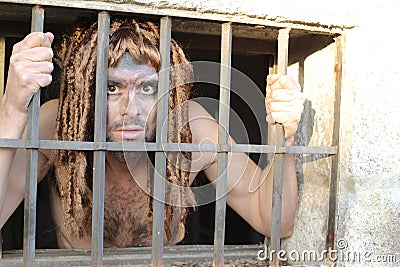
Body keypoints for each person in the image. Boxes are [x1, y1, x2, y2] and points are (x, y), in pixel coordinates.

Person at [0, 19, 305, 248]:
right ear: (86, 92)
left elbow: (274, 221)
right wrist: (13, 106)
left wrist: (285, 138)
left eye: (147, 89)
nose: (131, 110)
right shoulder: (60, 126)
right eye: (112, 88)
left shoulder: (190, 129)